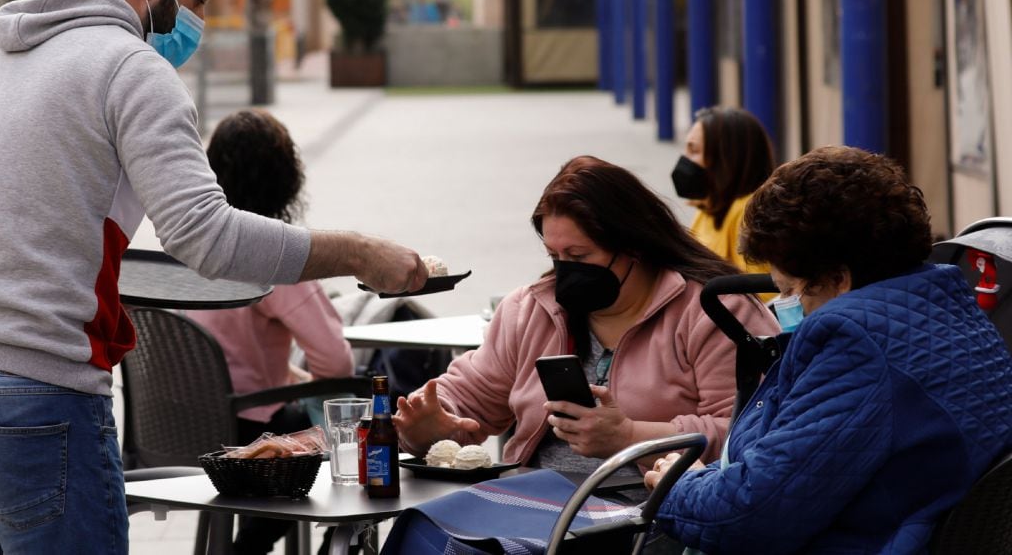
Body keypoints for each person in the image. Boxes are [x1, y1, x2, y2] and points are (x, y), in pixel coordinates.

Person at [0, 0, 425, 554]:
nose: (198, 19)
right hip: (35, 395)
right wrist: (359, 253)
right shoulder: (132, 67)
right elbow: (204, 237)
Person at [647, 146, 1012, 554]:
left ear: (838, 278)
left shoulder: (857, 344)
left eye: (789, 291)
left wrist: (676, 484)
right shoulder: (944, 307)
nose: (786, 307)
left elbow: (747, 515)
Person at [394, 156, 778, 479]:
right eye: (554, 257)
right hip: (537, 506)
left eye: (579, 257)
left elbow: (752, 433)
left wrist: (630, 437)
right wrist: (431, 425)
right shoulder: (532, 310)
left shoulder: (717, 312)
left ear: (634, 246)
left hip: (653, 518)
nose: (564, 272)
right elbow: (469, 394)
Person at [186, 109, 354, 554]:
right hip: (247, 437)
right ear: (287, 178)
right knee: (352, 420)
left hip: (173, 427)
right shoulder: (278, 256)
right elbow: (337, 364)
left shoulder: (185, 245)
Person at [671, 107, 775, 274]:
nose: (685, 160)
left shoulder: (747, 214)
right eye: (687, 149)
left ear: (725, 159)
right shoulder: (708, 206)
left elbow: (760, 292)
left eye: (694, 151)